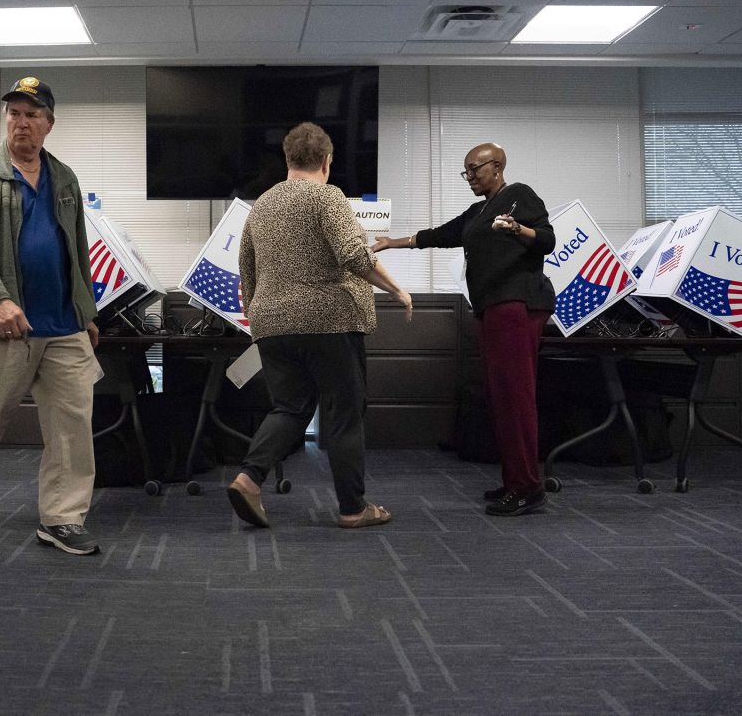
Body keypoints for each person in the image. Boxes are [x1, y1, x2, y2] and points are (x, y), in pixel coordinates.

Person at [226, 123, 413, 530]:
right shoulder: (327, 197)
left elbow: (247, 272)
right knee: (344, 414)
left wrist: (263, 314)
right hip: (329, 321)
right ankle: (352, 508)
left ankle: (248, 477)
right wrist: (398, 289)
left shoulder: (261, 206)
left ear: (288, 160)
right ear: (327, 162)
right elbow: (353, 254)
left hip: (271, 323)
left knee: (290, 407)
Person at [0, 77, 102, 556]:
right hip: (4, 327)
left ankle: (62, 518)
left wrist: (87, 309)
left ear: (49, 124)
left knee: (72, 425)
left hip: (63, 325)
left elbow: (77, 249)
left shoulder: (66, 178)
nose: (21, 122)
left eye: (32, 114)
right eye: (14, 113)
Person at [373, 143, 555, 517]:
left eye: (475, 169)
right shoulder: (478, 213)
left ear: (498, 166)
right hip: (493, 308)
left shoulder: (519, 195)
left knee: (516, 398)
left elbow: (548, 240)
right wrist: (394, 243)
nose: (470, 177)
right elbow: (441, 234)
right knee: (501, 398)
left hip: (517, 304)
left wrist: (518, 229)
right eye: (466, 172)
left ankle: (527, 488)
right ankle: (515, 480)